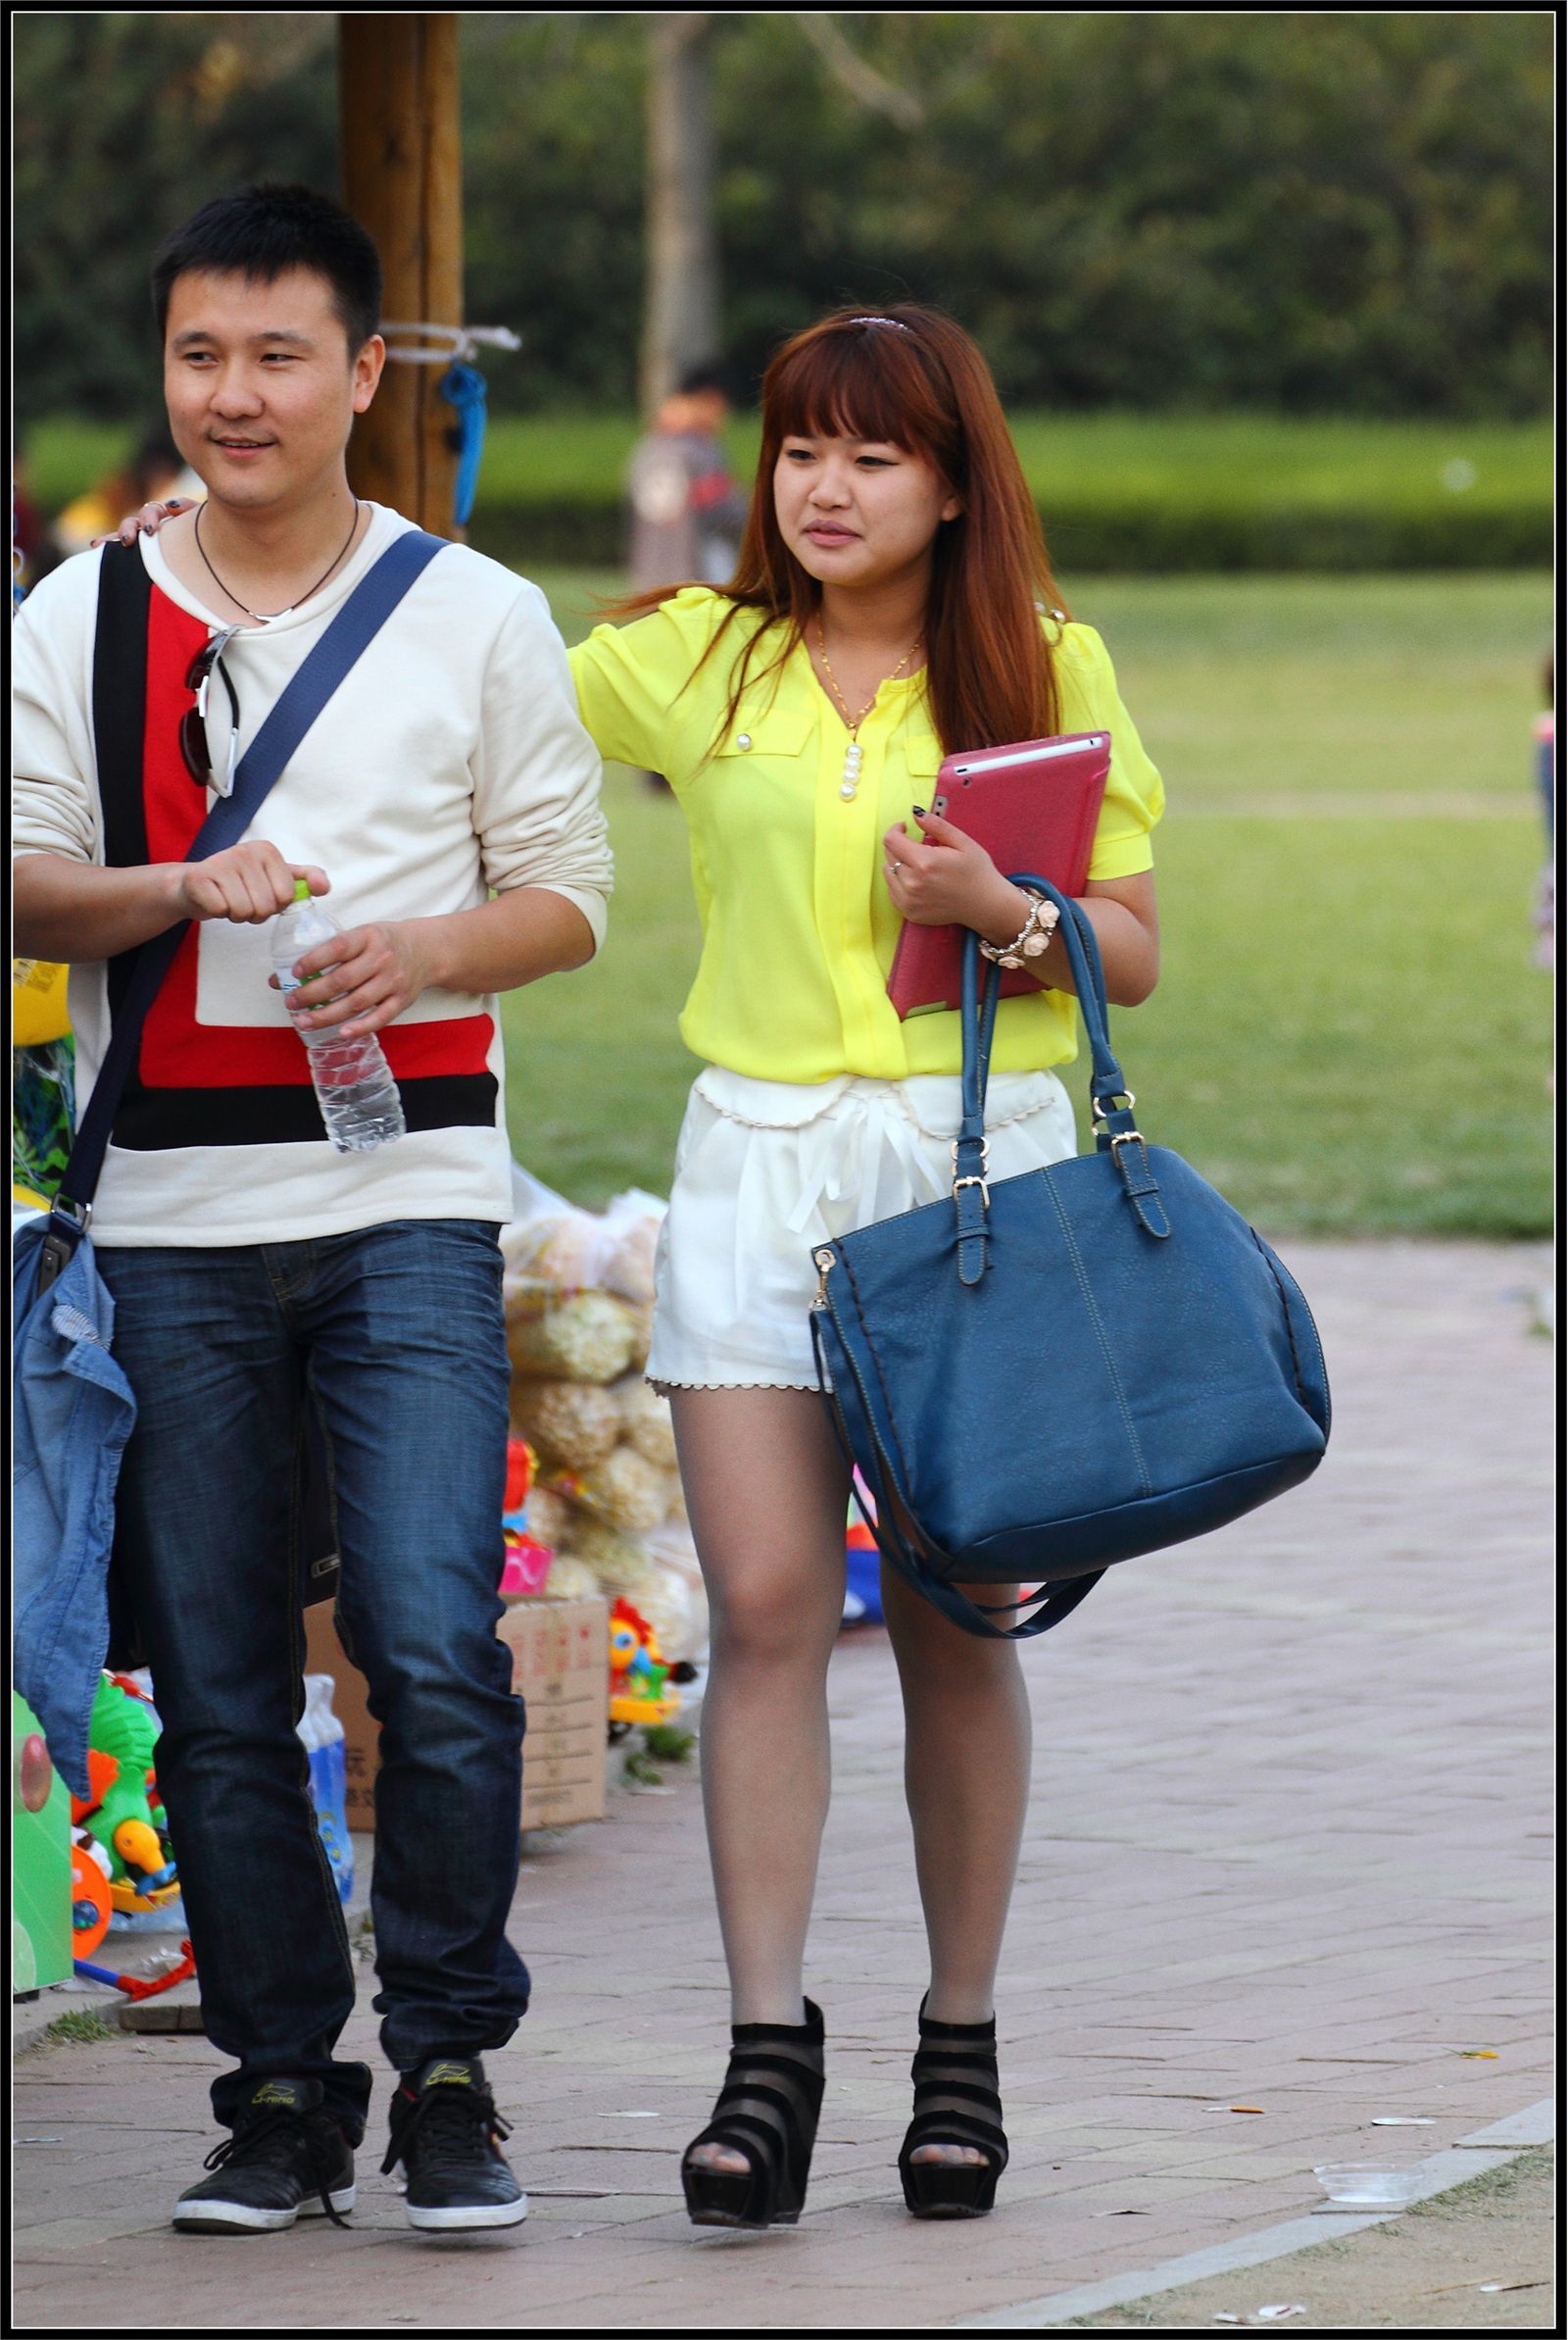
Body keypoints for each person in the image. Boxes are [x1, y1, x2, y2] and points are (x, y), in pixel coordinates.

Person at [12, 183, 612, 2239]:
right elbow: (19, 882)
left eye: (278, 354)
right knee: (215, 1681)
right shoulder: (76, 616)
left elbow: (570, 896)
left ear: (366, 371)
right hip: (169, 1220)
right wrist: (181, 887)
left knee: (439, 1643)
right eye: (199, 354)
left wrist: (430, 947)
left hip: (407, 1203)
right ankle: (277, 2082)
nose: (233, 394)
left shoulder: (475, 611)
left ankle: (445, 2058)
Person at [568, 306, 1164, 2225]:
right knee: (757, 1603)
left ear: (950, 480)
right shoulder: (700, 659)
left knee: (954, 1609)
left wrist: (1007, 906)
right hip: (747, 1162)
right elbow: (473, 676)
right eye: (797, 449)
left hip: (967, 1169)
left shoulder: (1040, 667)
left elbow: (1131, 947)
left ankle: (960, 2038)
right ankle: (763, 2048)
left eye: (869, 454)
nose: (821, 487)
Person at [624, 364, 749, 793]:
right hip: (697, 577)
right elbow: (727, 514)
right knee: (705, 676)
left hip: (649, 576)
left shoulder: (647, 447)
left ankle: (652, 768)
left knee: (660, 677)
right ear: (706, 400)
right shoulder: (700, 451)